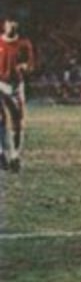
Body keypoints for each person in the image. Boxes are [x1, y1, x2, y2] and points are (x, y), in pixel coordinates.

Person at [0, 18, 35, 172]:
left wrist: (25, 67)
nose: (11, 26)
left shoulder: (24, 44)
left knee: (17, 121)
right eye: (9, 23)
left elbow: (30, 64)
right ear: (4, 25)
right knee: (0, 119)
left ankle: (15, 156)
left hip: (15, 86)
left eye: (14, 23)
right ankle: (1, 153)